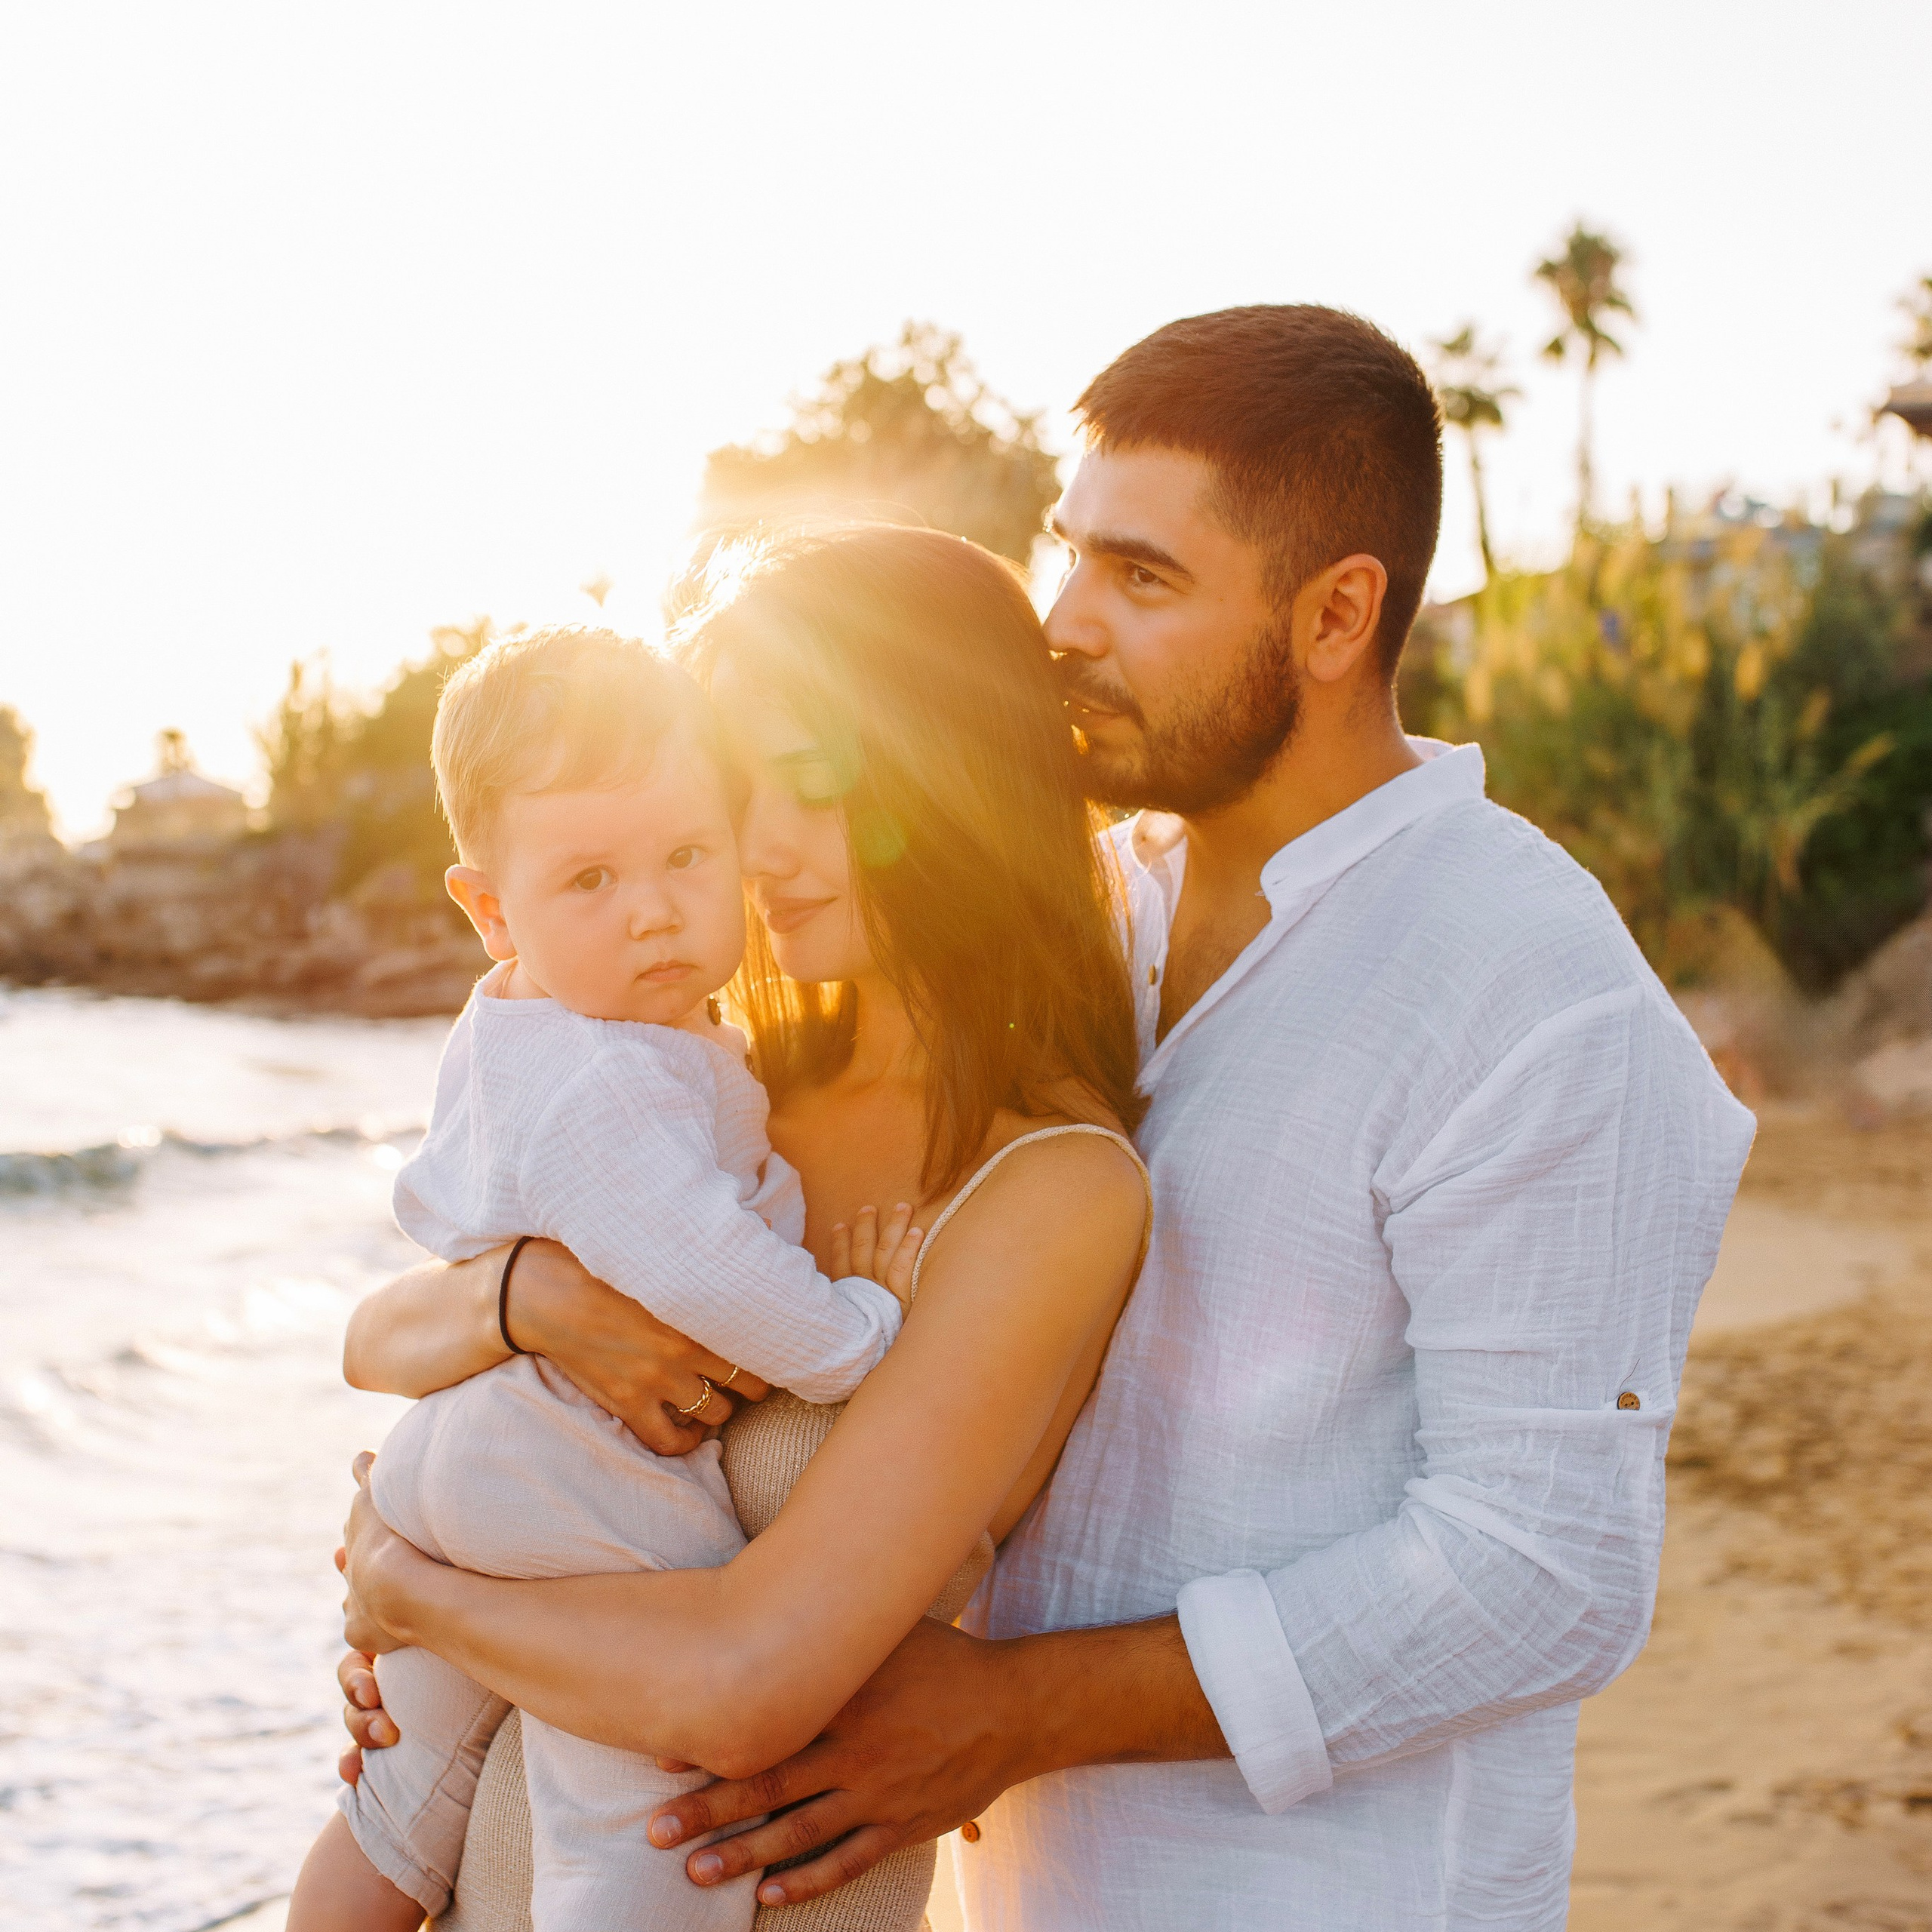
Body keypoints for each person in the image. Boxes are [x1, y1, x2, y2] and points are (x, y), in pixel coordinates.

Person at [349, 306, 1757, 1930]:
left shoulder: (1530, 987)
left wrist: (1019, 1705)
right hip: (1016, 1883)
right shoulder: (1096, 927)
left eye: (1141, 578)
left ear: (1334, 614)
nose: (1066, 624)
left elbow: (1546, 1572)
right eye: (1066, 553)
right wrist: (492, 1376)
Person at [328, 524, 1154, 1928]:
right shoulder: (719, 1078)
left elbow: (742, 1686)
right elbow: (379, 1336)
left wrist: (417, 1593)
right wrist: (525, 1301)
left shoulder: (1052, 1188)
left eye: (819, 787)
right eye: (738, 791)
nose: (763, 852)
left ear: (948, 775)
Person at [288, 626, 921, 1931]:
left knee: (393, 1808)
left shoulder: (559, 1025)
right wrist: (864, 1330)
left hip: (466, 1464)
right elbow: (715, 1278)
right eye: (590, 878)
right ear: (490, 910)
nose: (652, 908)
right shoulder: (605, 1079)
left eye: (688, 856)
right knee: (642, 1816)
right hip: (563, 1472)